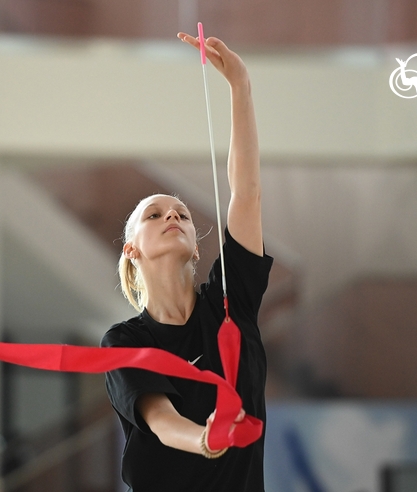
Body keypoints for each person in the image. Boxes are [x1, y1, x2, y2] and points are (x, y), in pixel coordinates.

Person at [99, 32, 273, 491]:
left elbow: (247, 194)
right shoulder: (124, 341)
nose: (172, 216)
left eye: (181, 214)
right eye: (154, 215)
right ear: (131, 249)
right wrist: (205, 440)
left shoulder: (230, 301)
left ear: (198, 246)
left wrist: (240, 86)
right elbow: (159, 418)